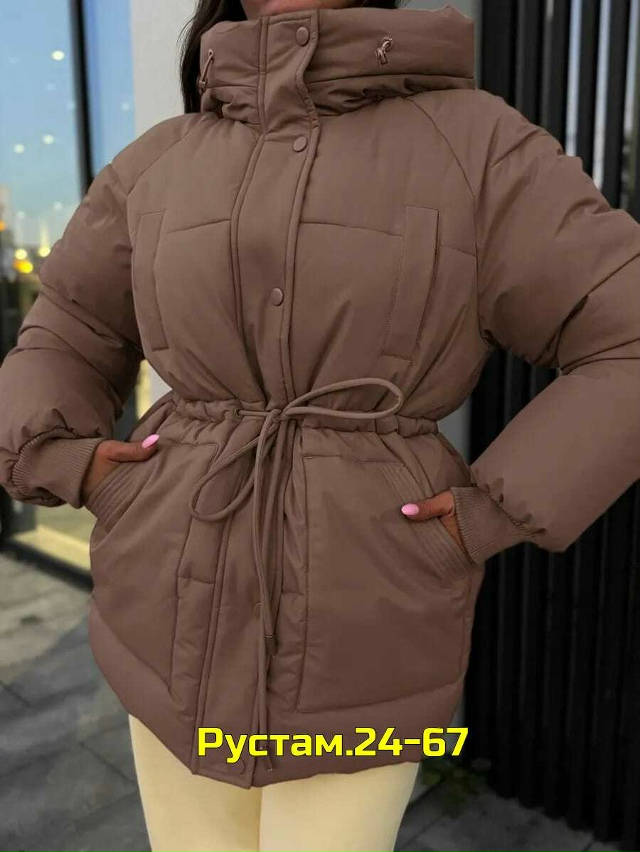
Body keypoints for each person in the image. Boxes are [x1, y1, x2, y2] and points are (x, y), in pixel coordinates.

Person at [2, 0, 640, 848]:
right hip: (165, 616)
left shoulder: (479, 147)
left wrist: (487, 516)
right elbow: (70, 325)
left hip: (364, 634)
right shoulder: (159, 161)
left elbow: (626, 338)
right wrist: (74, 465)